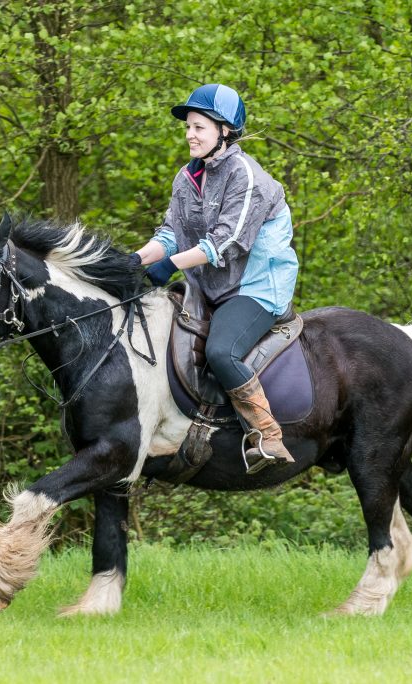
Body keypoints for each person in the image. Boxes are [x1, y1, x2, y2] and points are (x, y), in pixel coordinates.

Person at [131, 83, 299, 472]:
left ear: (224, 131)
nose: (190, 135)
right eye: (188, 127)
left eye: (199, 127)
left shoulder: (246, 175)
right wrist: (131, 261)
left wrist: (170, 263)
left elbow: (226, 243)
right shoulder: (186, 178)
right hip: (209, 284)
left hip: (255, 285)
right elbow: (169, 234)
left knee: (221, 351)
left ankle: (267, 434)